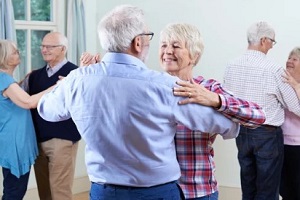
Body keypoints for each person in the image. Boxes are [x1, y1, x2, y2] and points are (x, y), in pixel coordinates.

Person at [37, 5, 240, 200]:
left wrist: (75, 82)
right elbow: (228, 126)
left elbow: (46, 109)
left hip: (103, 192)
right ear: (137, 43)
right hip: (156, 193)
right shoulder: (164, 86)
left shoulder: (77, 79)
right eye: (148, 37)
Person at [158, 23, 266, 200]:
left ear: (194, 55)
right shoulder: (150, 88)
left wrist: (215, 100)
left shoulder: (208, 87)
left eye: (176, 46)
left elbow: (258, 116)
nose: (168, 51)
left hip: (198, 191)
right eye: (163, 45)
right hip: (158, 192)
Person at [223, 21, 300, 200]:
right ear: (264, 40)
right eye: (272, 42)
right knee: (268, 189)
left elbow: (227, 100)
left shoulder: (231, 65)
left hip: (241, 132)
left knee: (248, 184)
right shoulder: (273, 69)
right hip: (267, 135)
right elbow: (296, 107)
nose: (272, 46)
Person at [20, 32, 81, 200]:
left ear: (63, 49)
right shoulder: (34, 76)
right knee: (44, 192)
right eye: (43, 46)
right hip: (37, 140)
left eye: (49, 47)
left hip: (62, 141)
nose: (44, 50)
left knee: (60, 192)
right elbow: (21, 100)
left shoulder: (75, 74)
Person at [0, 40, 52, 199]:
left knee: (13, 188)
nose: (18, 53)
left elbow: (10, 98)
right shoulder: (5, 80)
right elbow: (28, 102)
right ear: (5, 58)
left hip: (12, 139)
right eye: (15, 52)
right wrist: (58, 86)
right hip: (15, 142)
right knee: (14, 191)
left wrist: (23, 80)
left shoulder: (7, 80)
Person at [280, 47, 300, 200]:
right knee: (285, 188)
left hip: (298, 146)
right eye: (289, 57)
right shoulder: (281, 82)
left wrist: (296, 86)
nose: (289, 61)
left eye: (295, 59)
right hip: (280, 143)